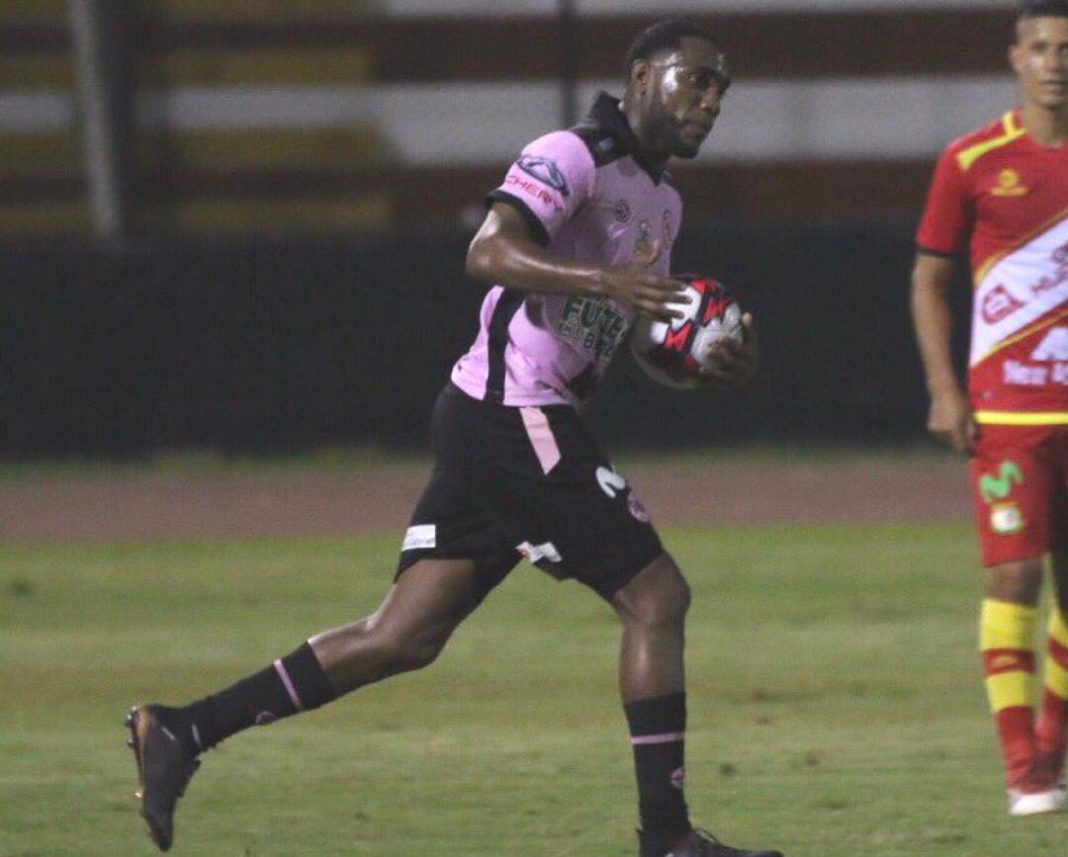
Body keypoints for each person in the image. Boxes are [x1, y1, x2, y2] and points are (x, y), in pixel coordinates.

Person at [125, 19, 780, 857]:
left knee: (402, 635)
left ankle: (181, 728)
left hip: (509, 420)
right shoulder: (572, 154)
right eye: (697, 80)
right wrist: (600, 278)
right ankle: (668, 839)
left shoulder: (664, 200)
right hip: (512, 412)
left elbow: (626, 328)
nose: (711, 101)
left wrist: (708, 361)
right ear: (643, 77)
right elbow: (489, 250)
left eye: (721, 88)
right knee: (657, 598)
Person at [911, 0, 1068, 818]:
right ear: (1016, 57)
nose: (1055, 62)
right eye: (1040, 47)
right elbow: (929, 276)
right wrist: (945, 387)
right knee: (1014, 573)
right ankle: (1024, 771)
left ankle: (1051, 749)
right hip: (1007, 412)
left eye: (1066, 48)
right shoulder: (972, 159)